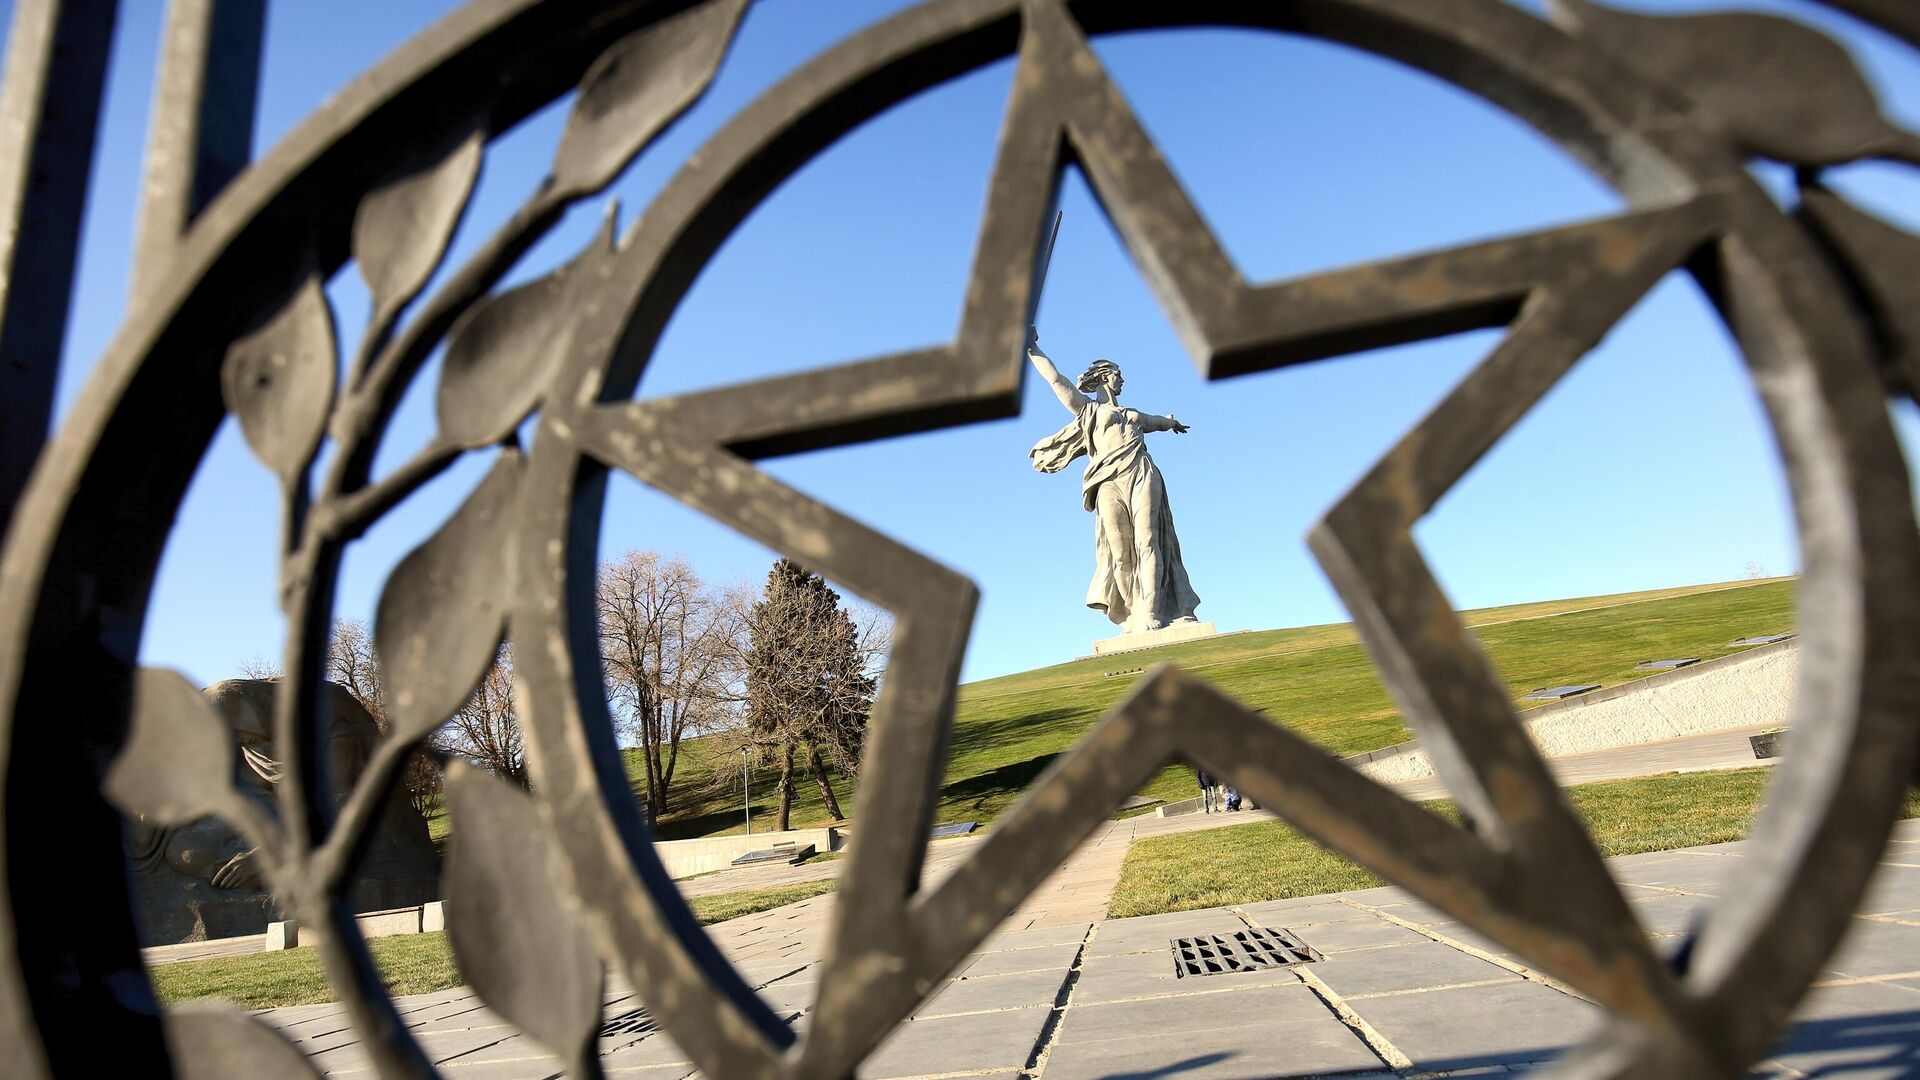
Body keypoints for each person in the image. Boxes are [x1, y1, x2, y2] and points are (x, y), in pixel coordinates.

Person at [1028, 329, 1202, 633]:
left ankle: (1152, 609)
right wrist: (1031, 348)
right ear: (1105, 377)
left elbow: (1160, 422)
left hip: (1142, 473)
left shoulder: (1134, 415)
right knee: (1120, 552)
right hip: (1108, 480)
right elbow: (1056, 380)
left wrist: (1172, 422)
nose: (1122, 381)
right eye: (1118, 375)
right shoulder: (1088, 410)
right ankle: (1134, 611)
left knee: (1148, 540)